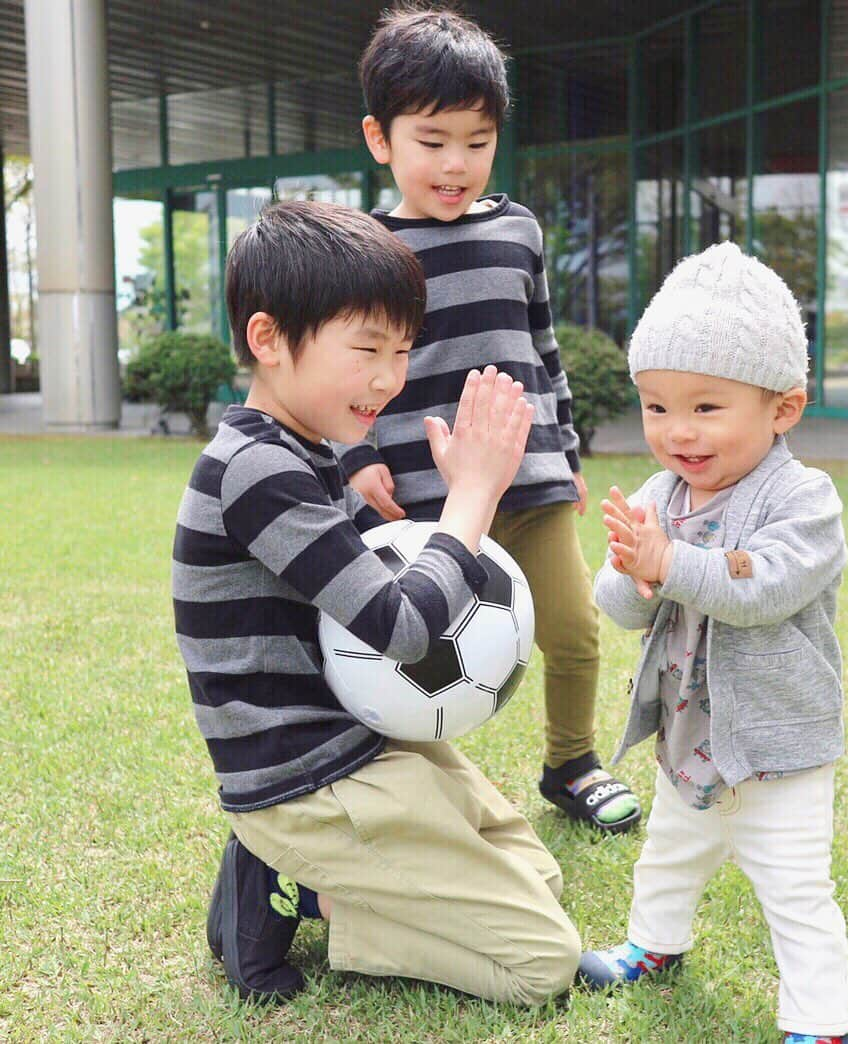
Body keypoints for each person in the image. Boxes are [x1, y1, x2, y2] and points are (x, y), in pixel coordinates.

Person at [173, 200, 580, 1005]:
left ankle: (288, 877)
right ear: (268, 340)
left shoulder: (307, 453)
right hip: (307, 778)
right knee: (543, 963)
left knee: (542, 874)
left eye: (401, 351)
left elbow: (382, 590)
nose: (390, 378)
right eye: (367, 349)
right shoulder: (257, 471)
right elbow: (403, 630)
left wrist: (459, 496)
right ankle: (295, 890)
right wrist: (472, 496)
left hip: (363, 746)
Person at [338, 6, 641, 834]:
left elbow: (542, 350)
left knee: (575, 632)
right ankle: (404, 787)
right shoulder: (365, 249)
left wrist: (566, 449)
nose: (455, 163)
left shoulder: (519, 230)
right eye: (432, 141)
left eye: (476, 140)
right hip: (421, 497)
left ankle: (571, 763)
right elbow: (348, 373)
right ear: (380, 138)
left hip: (530, 477)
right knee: (413, 652)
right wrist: (354, 458)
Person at [578, 242, 848, 1044]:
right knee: (668, 853)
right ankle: (655, 945)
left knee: (795, 888)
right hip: (687, 733)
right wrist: (633, 573)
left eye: (706, 408)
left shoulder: (805, 500)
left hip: (777, 747)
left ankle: (818, 1022)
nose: (677, 433)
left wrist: (673, 561)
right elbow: (624, 611)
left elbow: (763, 588)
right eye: (657, 408)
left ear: (784, 409)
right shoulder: (662, 496)